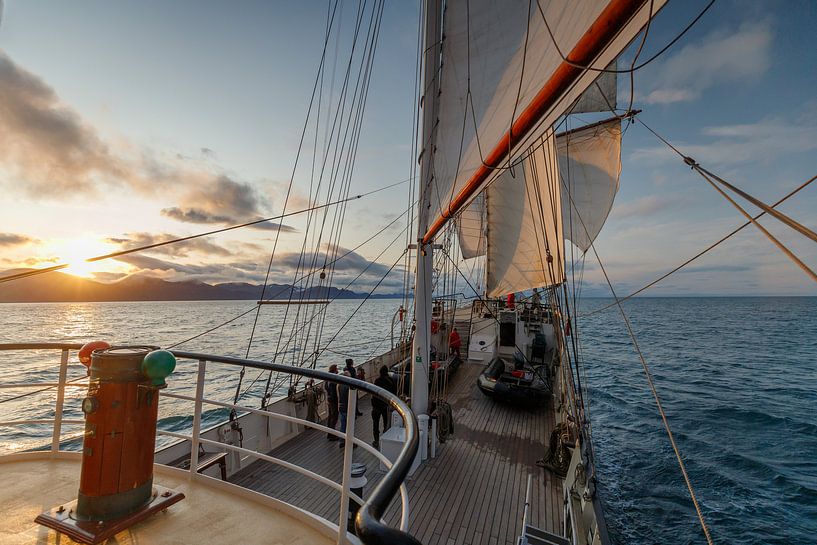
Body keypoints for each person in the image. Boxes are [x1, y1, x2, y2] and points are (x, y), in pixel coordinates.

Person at [372, 365, 396, 449]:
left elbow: (374, 393)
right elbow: (394, 394)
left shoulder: (377, 381)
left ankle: (376, 440)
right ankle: (385, 439)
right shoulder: (390, 381)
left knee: (375, 424)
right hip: (386, 406)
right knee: (386, 423)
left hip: (376, 406)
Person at [325, 365, 339, 441]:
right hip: (333, 401)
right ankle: (332, 434)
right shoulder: (333, 379)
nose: (337, 370)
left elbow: (326, 387)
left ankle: (329, 433)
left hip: (329, 399)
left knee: (330, 416)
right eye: (337, 369)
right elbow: (333, 390)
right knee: (334, 416)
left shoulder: (327, 378)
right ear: (334, 370)